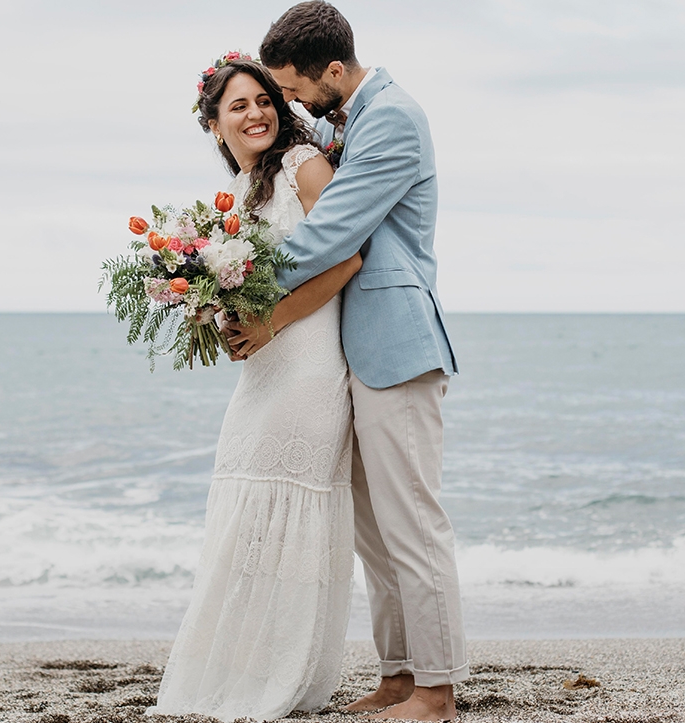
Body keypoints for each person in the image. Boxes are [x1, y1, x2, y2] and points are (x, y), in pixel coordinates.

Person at [227, 2, 468, 720]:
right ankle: (400, 674)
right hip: (353, 353)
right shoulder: (350, 118)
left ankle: (437, 689)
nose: (292, 102)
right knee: (373, 530)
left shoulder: (392, 117)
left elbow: (332, 230)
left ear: (334, 70)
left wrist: (240, 276)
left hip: (397, 345)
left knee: (412, 525)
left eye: (295, 89)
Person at [146, 54, 364, 722]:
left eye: (263, 99)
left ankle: (282, 678)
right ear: (215, 126)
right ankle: (243, 668)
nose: (256, 113)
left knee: (287, 513)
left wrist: (272, 322)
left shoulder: (305, 167)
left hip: (308, 363)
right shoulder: (236, 196)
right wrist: (213, 312)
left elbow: (350, 255)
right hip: (264, 370)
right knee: (242, 514)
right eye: (238, 106)